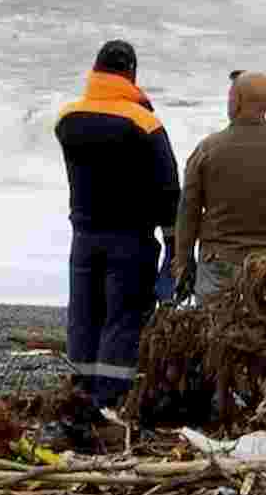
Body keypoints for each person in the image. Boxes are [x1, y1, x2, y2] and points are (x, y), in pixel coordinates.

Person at [53, 40, 180, 445]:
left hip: (83, 235)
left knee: (84, 315)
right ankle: (107, 405)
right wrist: (174, 243)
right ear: (131, 74)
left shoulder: (67, 119)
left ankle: (78, 395)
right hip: (130, 238)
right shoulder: (144, 123)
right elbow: (168, 189)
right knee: (122, 319)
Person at [174, 70, 266, 303]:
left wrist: (183, 263)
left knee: (214, 325)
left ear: (237, 100)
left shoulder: (208, 149)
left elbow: (188, 213)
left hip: (218, 263)